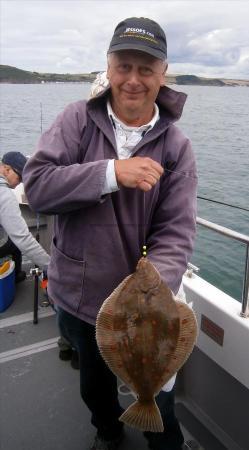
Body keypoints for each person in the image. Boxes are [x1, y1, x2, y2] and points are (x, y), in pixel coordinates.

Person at [23, 17, 197, 450]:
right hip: (79, 296)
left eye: (146, 69)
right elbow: (39, 186)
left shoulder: (176, 147)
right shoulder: (77, 120)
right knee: (94, 389)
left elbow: (176, 231)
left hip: (148, 310)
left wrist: (153, 289)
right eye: (124, 66)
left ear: (163, 74)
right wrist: (110, 174)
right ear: (108, 67)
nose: (133, 80)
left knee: (162, 401)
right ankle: (108, 431)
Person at [0, 151, 50, 283]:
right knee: (16, 244)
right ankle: (17, 276)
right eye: (20, 178)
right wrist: (51, 266)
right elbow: (23, 240)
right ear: (7, 169)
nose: (20, 183)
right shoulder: (5, 195)